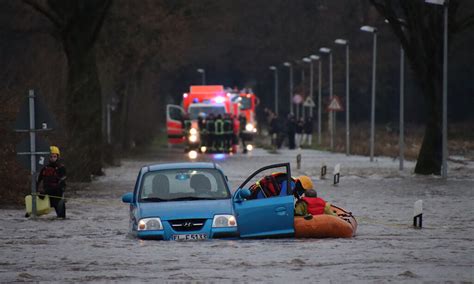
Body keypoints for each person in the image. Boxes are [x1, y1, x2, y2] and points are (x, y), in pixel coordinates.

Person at [36, 146, 67, 218]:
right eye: (51, 156)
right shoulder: (43, 168)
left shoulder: (61, 168)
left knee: (61, 219)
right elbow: (38, 181)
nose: (53, 158)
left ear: (57, 157)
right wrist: (37, 192)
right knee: (32, 215)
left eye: (54, 156)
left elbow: (61, 185)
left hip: (58, 197)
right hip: (45, 196)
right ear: (47, 157)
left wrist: (46, 192)